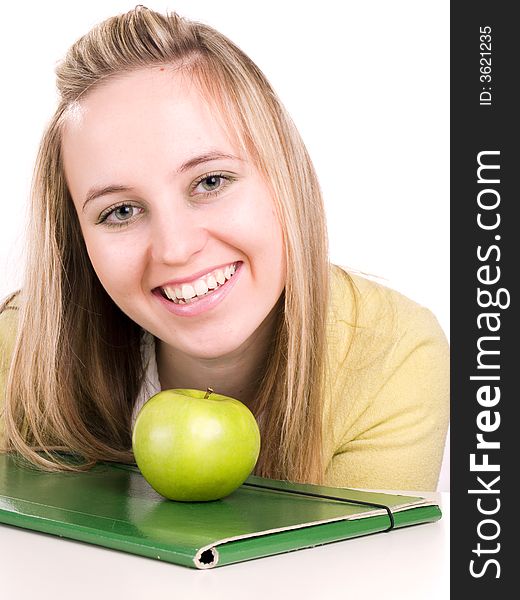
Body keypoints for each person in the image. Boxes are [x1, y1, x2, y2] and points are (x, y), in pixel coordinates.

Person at [0, 6, 448, 491]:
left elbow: (361, 568)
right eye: (121, 212)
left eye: (211, 181)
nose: (175, 249)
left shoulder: (392, 355)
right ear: (78, 239)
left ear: (284, 177)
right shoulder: (21, 349)